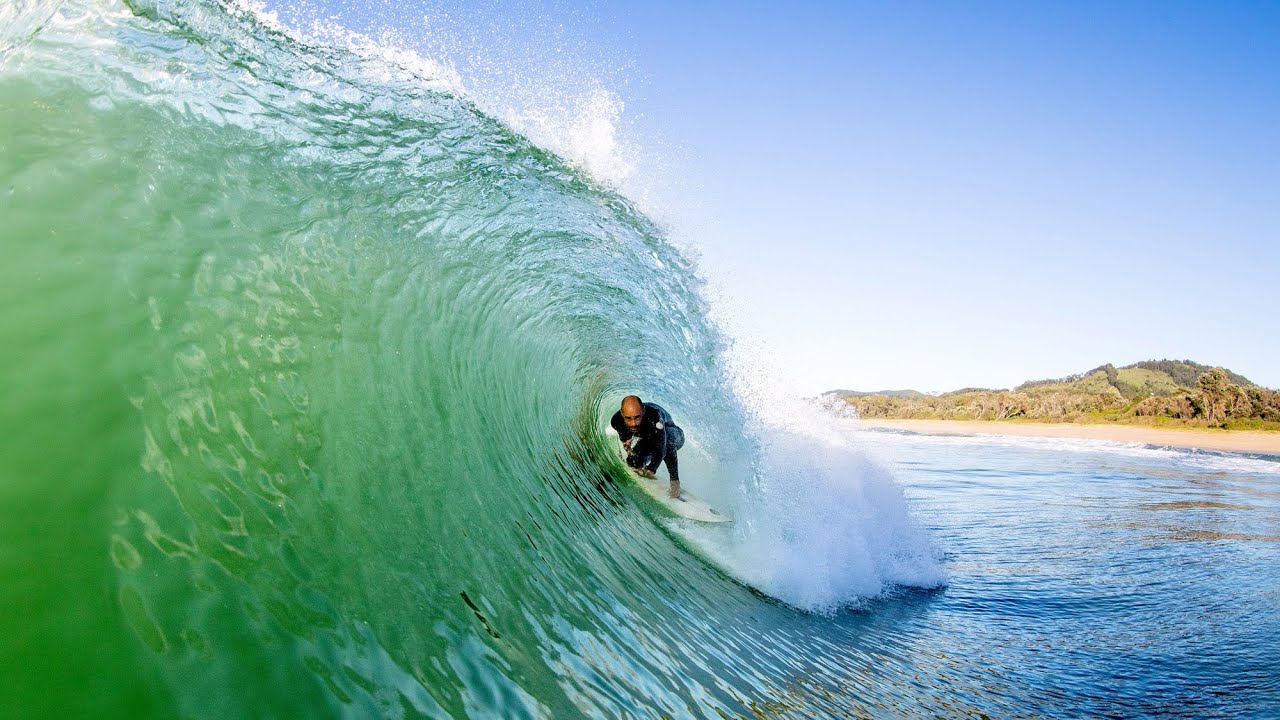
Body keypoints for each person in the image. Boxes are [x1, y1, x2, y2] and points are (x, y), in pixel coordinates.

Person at [610, 395, 685, 499]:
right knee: (632, 462)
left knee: (667, 440)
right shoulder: (616, 421)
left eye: (637, 417)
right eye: (628, 418)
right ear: (622, 414)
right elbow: (626, 440)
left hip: (674, 435)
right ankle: (643, 470)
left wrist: (652, 468)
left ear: (643, 411)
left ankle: (675, 485)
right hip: (649, 438)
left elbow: (662, 448)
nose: (633, 423)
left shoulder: (654, 417)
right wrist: (629, 449)